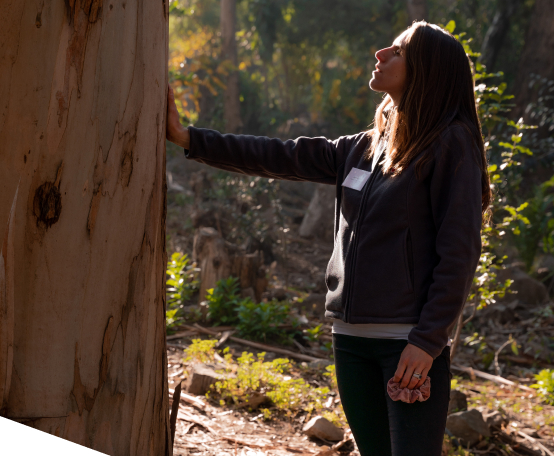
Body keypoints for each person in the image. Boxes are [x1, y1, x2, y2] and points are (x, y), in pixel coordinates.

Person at [166, 21, 491, 456]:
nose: (380, 54)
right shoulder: (364, 148)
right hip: (351, 341)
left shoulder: (451, 145)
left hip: (407, 346)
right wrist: (189, 138)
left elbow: (460, 251)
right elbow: (278, 155)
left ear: (427, 69)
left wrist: (428, 341)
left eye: (397, 51)